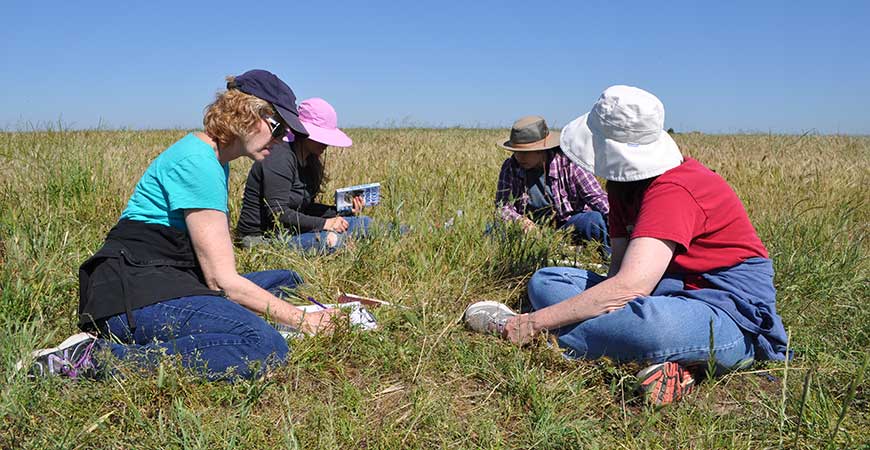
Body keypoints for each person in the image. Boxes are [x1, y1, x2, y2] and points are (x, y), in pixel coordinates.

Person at [465, 86, 789, 405]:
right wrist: (602, 306)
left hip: (727, 314)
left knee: (651, 328)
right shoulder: (622, 186)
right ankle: (671, 364)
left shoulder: (675, 188)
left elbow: (629, 287)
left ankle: (518, 328)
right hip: (658, 293)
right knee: (547, 280)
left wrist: (536, 321)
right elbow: (617, 274)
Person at [19, 70, 339, 381]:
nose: (283, 137)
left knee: (287, 279)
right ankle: (92, 357)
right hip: (132, 294)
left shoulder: (212, 158)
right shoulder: (198, 163)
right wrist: (303, 321)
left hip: (166, 279)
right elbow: (221, 282)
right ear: (248, 114)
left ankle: (225, 329)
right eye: (278, 126)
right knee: (266, 347)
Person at [235, 98, 371, 253]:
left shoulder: (308, 159)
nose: (326, 143)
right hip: (263, 237)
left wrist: (340, 212)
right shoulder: (280, 157)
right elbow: (278, 214)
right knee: (333, 240)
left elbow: (304, 208)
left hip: (291, 231)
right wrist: (325, 224)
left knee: (364, 223)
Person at [494, 116, 610, 255]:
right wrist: (520, 222)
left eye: (525, 153)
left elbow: (597, 197)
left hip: (567, 224)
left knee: (595, 220)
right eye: (516, 151)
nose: (519, 157)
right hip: (529, 230)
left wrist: (622, 220)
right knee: (494, 228)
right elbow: (502, 207)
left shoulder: (569, 163)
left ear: (542, 150)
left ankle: (611, 263)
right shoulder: (510, 167)